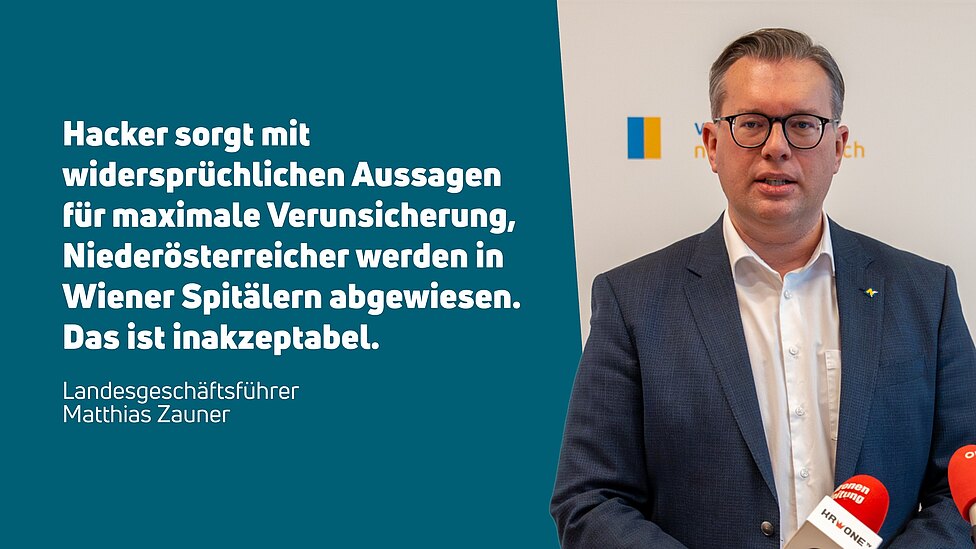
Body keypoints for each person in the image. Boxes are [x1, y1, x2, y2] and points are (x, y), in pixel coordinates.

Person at [550, 28, 976, 548]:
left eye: (803, 125)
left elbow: (963, 486)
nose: (776, 147)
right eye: (751, 124)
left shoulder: (924, 295)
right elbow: (590, 500)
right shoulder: (633, 301)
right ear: (712, 144)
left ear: (839, 147)